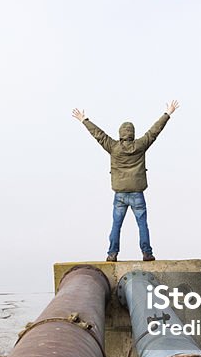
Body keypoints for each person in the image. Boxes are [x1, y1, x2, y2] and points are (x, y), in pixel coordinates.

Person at [72, 101, 179, 262]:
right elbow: (154, 131)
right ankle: (147, 253)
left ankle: (112, 254)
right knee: (142, 224)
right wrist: (167, 113)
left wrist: (84, 120)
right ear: (132, 134)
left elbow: (98, 135)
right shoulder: (141, 145)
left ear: (121, 133)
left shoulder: (113, 147)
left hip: (120, 194)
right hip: (137, 193)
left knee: (116, 225)